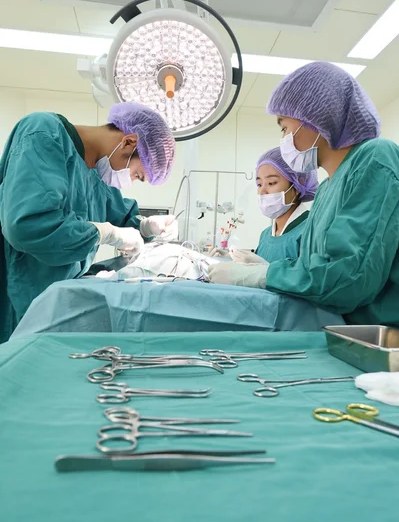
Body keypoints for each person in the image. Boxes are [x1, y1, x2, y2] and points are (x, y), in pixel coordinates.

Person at [209, 61, 399, 328]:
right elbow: (313, 267)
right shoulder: (326, 190)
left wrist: (266, 275)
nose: (284, 138)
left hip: (382, 339)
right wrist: (266, 267)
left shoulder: (375, 159)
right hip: (339, 330)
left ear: (318, 118)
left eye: (284, 127)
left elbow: (349, 278)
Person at [0, 102, 176, 342]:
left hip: (54, 303)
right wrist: (105, 233)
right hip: (18, 298)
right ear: (129, 142)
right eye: (137, 175)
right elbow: (28, 226)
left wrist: (146, 226)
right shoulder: (43, 133)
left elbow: (122, 218)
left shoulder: (96, 173)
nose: (131, 181)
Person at [211, 147, 318, 263]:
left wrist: (265, 269)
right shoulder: (266, 235)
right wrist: (233, 258)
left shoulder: (312, 230)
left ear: (297, 186)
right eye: (259, 184)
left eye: (271, 183)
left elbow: (308, 278)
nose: (262, 191)